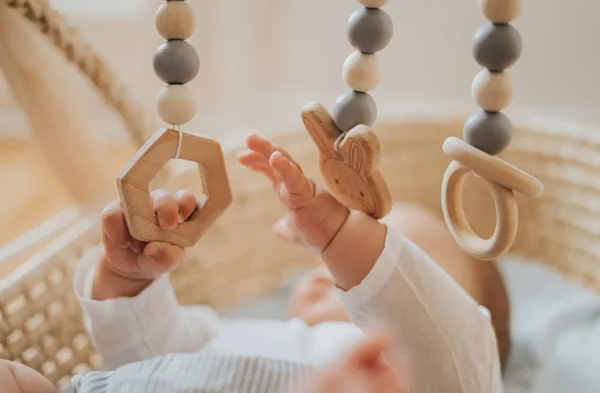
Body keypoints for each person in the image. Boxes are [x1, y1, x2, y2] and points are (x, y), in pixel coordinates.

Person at [0, 134, 505, 392]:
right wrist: (130, 283)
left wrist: (343, 235)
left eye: (387, 262)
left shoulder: (437, 373)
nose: (330, 268)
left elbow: (449, 342)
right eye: (336, 265)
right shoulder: (241, 339)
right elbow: (146, 362)